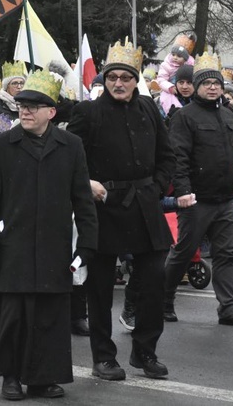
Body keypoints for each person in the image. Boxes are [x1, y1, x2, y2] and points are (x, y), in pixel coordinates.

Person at [0, 69, 98, 400]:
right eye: (22, 105)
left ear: (51, 112)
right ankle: (11, 376)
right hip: (13, 246)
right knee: (13, 316)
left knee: (49, 315)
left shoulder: (71, 146)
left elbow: (82, 199)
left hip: (54, 247)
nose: (26, 111)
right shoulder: (1, 146)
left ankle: (43, 377)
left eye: (34, 106)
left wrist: (87, 242)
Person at [68, 40, 175, 380]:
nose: (118, 83)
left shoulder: (148, 108)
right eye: (112, 77)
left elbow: (167, 156)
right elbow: (71, 159)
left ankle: (145, 351)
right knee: (100, 288)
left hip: (145, 206)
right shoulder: (87, 112)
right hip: (104, 207)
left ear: (134, 80)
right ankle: (104, 356)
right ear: (105, 79)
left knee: (154, 280)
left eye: (125, 78)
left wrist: (157, 186)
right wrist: (87, 184)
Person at [166, 51, 233, 326]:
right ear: (197, 86)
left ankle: (228, 309)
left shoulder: (229, 114)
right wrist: (184, 192)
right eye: (207, 83)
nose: (213, 87)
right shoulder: (184, 116)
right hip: (196, 200)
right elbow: (179, 158)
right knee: (184, 252)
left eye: (217, 83)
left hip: (225, 199)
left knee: (225, 255)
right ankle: (164, 300)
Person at [0, 62, 26, 143]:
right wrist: (11, 131)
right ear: (7, 86)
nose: (19, 87)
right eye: (15, 83)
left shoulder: (28, 106)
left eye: (21, 83)